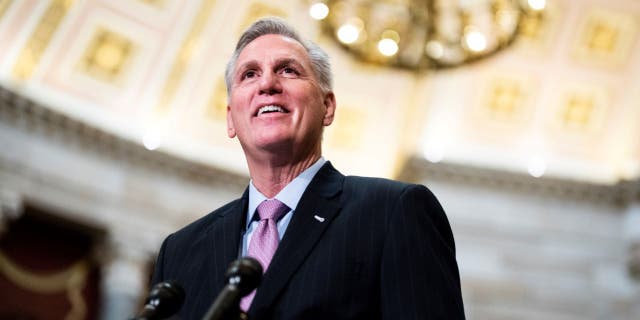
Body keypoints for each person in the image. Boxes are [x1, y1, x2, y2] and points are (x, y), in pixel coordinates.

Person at [151, 17, 465, 320]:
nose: (268, 84)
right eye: (249, 74)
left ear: (327, 107)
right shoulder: (179, 252)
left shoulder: (394, 212)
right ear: (231, 118)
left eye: (288, 70)